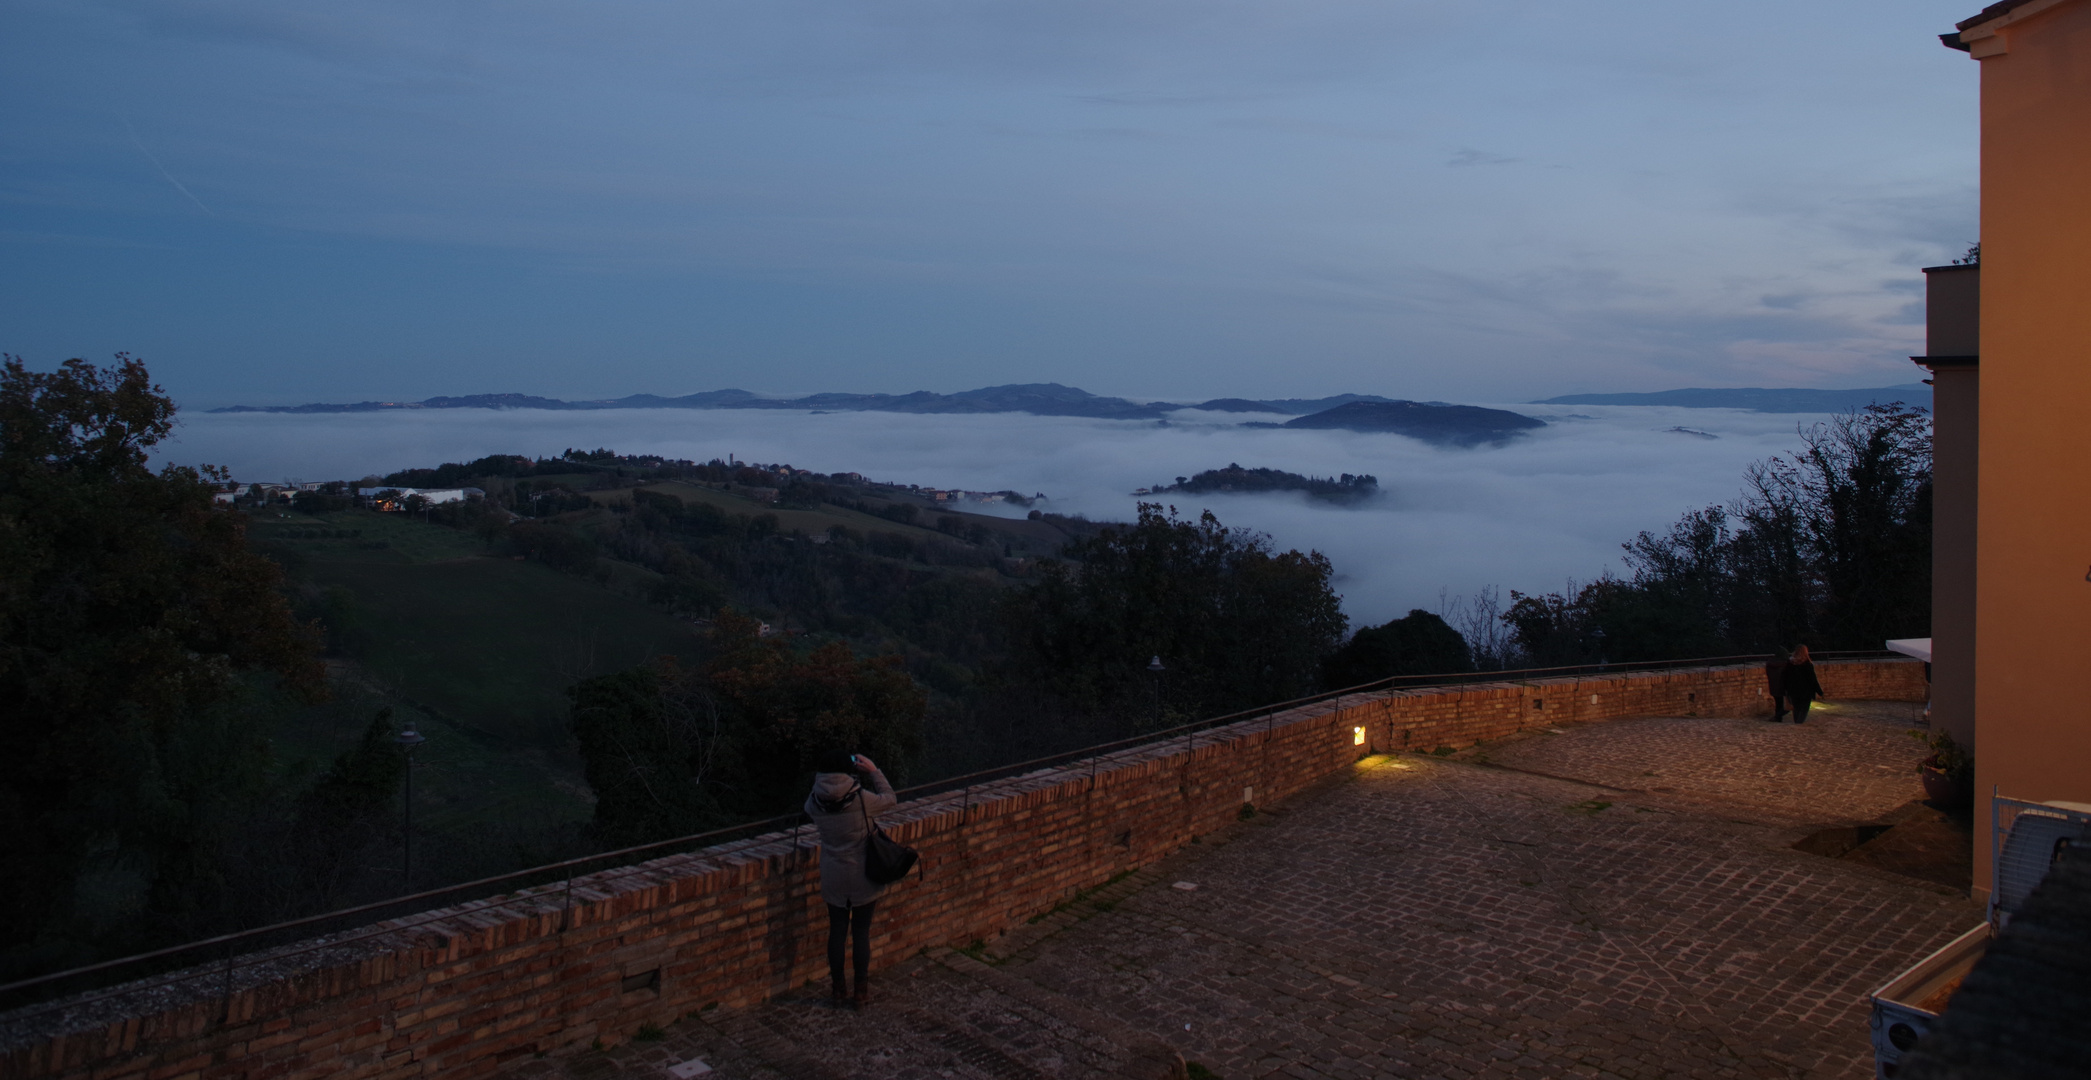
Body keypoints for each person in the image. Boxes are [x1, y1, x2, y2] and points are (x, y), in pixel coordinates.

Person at [804, 748, 896, 1008]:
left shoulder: (815, 801)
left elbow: (807, 808)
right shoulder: (860, 799)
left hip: (833, 874)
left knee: (837, 932)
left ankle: (837, 989)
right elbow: (890, 799)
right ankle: (860, 991)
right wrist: (874, 771)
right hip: (862, 873)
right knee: (861, 932)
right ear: (849, 769)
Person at [1785, 645, 1825, 724]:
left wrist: (1787, 688)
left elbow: (1786, 677)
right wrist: (1820, 691)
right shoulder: (1807, 664)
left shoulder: (1790, 663)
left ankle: (1797, 721)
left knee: (1796, 707)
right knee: (1804, 708)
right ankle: (1799, 722)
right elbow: (1813, 679)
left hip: (1793, 690)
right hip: (1806, 691)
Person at [1762, 651, 1791, 722]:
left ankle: (1778, 717)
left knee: (1778, 703)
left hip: (1773, 686)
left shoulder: (1770, 663)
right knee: (1788, 705)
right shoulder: (1784, 664)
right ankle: (1778, 716)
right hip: (1781, 686)